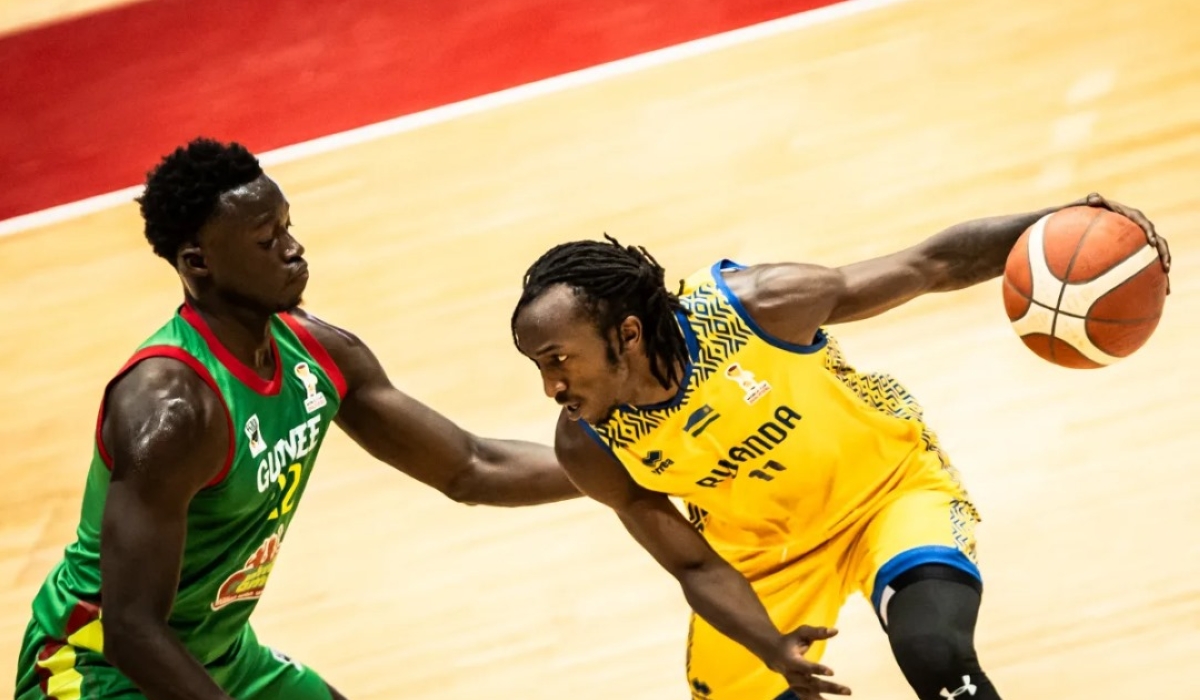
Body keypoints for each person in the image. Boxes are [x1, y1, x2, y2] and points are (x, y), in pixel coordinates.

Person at [509, 196, 1170, 700]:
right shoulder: (588, 444)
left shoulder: (757, 307)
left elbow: (930, 264)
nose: (551, 386)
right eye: (538, 365)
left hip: (888, 494)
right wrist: (771, 647)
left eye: (558, 358)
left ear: (627, 335)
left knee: (935, 653)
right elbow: (695, 567)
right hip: (759, 560)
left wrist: (1067, 224)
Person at [14, 137, 581, 700]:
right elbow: (131, 630)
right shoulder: (173, 412)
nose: (294, 248)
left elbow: (471, 466)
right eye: (268, 239)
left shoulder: (319, 354)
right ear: (198, 262)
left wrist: (618, 460)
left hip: (219, 655)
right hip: (95, 671)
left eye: (288, 226)